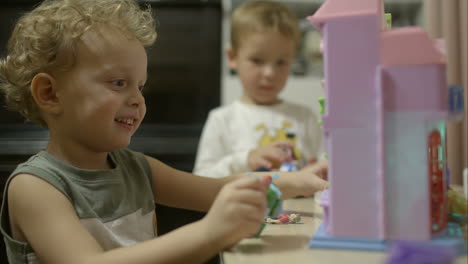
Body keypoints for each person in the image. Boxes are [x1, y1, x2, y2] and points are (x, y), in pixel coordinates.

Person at [0, 0, 327, 263]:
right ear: (50, 94)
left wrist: (296, 182)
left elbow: (215, 188)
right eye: (118, 83)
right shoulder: (34, 187)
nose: (138, 99)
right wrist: (209, 233)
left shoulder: (138, 169)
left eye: (140, 85)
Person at [194, 0, 323, 178]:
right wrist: (246, 159)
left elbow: (322, 169)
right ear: (232, 57)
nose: (270, 73)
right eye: (257, 60)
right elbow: (201, 180)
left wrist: (316, 171)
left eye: (281, 62)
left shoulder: (304, 117)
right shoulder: (222, 120)